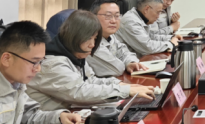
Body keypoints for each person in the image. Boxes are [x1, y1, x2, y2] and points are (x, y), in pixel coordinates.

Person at [27, 11, 155, 111]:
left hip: (69, 115)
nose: (92, 44)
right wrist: (125, 91)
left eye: (95, 38)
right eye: (88, 38)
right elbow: (80, 91)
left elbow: (91, 80)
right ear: (74, 37)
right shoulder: (52, 63)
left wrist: (122, 85)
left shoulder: (75, 55)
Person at [87, 0, 149, 77]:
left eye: (117, 16)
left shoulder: (110, 35)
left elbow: (124, 52)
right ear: (93, 16)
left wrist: (131, 62)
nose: (113, 21)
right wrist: (125, 64)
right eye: (108, 16)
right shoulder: (89, 42)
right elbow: (117, 69)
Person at [116, 0, 182, 56]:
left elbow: (151, 36)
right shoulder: (131, 21)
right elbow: (148, 47)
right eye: (158, 12)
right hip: (130, 62)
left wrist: (171, 38)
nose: (158, 16)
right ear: (146, 9)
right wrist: (171, 44)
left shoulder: (141, 18)